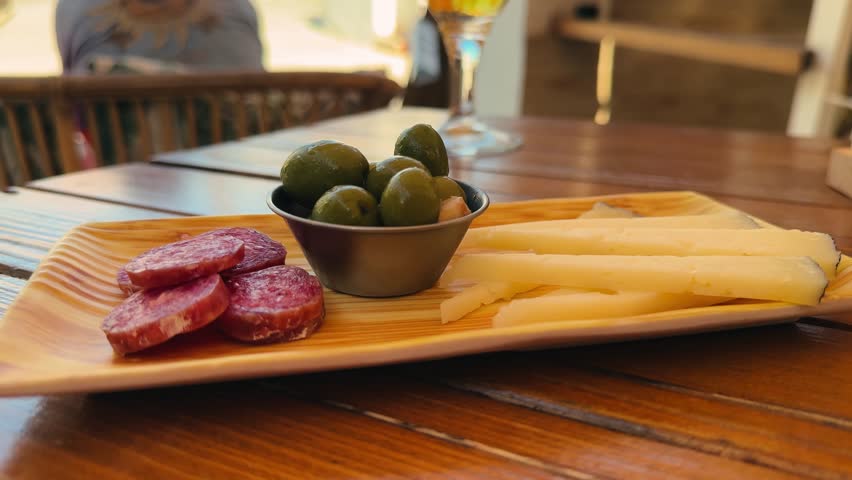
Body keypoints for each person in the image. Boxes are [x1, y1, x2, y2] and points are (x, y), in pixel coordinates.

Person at [55, 0, 264, 74]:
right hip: (232, 161)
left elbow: (67, 104)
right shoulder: (237, 7)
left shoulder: (75, 8)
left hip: (109, 166)